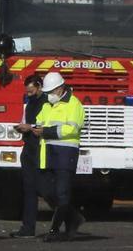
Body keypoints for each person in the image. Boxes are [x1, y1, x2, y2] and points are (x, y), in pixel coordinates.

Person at [33, 72, 85, 242]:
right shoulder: (47, 104)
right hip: (48, 154)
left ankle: (55, 230)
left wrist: (45, 131)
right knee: (47, 191)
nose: (49, 95)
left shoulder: (74, 104)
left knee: (62, 193)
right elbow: (39, 121)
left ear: (61, 88)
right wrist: (31, 128)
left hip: (65, 155)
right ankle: (73, 218)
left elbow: (72, 129)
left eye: (51, 91)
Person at [10, 74, 49, 238]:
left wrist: (30, 127)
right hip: (29, 148)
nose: (29, 94)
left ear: (40, 87)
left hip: (41, 149)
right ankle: (28, 228)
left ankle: (69, 219)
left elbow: (47, 124)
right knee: (29, 189)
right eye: (28, 92)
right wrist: (21, 127)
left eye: (32, 91)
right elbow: (26, 119)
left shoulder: (48, 103)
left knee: (47, 189)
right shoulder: (30, 102)